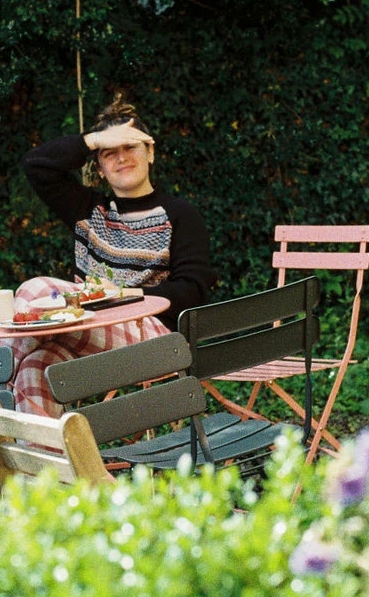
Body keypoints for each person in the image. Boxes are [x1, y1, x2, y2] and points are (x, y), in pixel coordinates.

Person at [12, 95, 217, 415]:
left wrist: (122, 295)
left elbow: (192, 292)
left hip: (156, 345)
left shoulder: (180, 215)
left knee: (36, 290)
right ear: (99, 168)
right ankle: (47, 465)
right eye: (109, 152)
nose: (121, 158)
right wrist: (91, 140)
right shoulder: (87, 211)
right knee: (34, 369)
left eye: (130, 147)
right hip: (87, 344)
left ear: (150, 152)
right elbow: (35, 164)